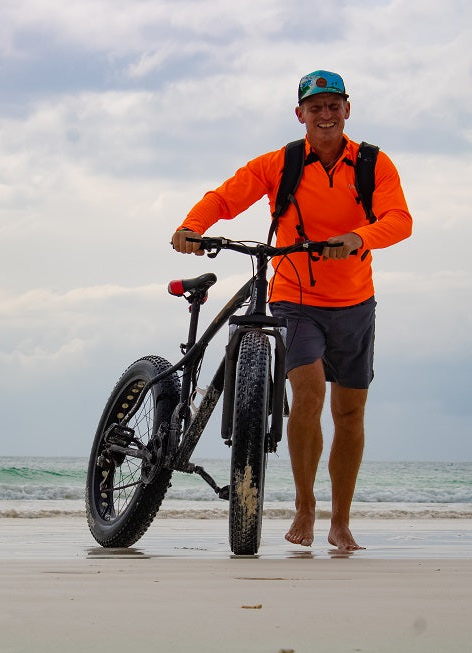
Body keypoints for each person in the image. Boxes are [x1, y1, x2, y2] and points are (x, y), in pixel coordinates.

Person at [170, 70, 412, 550]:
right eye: (315, 107)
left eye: (333, 105)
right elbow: (225, 197)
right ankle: (305, 506)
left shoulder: (372, 163)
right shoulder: (281, 164)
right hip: (295, 297)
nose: (325, 115)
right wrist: (192, 226)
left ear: (347, 109)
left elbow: (399, 220)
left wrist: (359, 237)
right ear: (300, 114)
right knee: (308, 395)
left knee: (350, 412)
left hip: (354, 302)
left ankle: (340, 521)